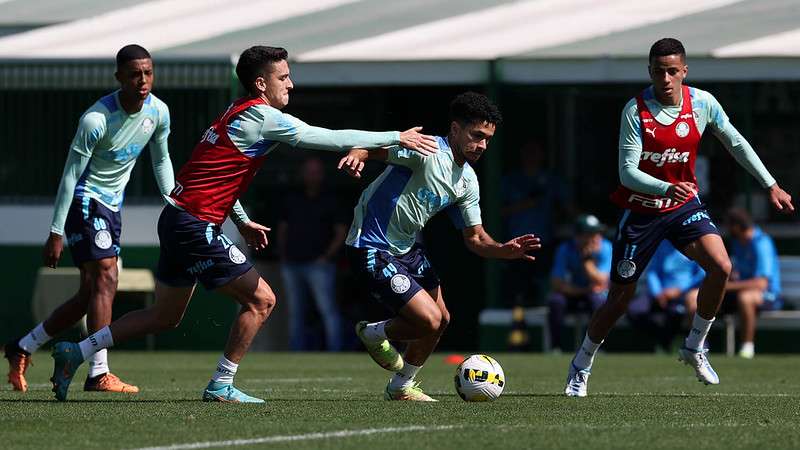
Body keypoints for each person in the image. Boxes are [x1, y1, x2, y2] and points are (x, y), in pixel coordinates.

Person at [48, 45, 439, 403]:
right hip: (192, 224)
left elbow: (211, 177)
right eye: (283, 77)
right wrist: (396, 136)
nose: (291, 83)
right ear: (260, 83)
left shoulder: (235, 113)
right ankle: (222, 382)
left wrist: (243, 220)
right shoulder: (261, 116)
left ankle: (76, 351)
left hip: (178, 219)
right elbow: (326, 137)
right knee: (263, 299)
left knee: (165, 316)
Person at [563, 38, 793, 397]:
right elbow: (627, 173)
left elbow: (735, 142)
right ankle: (582, 364)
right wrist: (665, 189)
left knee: (721, 266)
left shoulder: (702, 103)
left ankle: (695, 345)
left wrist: (770, 185)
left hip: (683, 207)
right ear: (650, 72)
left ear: (684, 71)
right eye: (659, 71)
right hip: (642, 212)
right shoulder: (636, 110)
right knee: (620, 299)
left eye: (673, 71)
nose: (666, 78)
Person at [338, 92, 540, 401]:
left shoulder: (467, 181)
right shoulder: (427, 149)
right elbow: (375, 149)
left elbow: (475, 238)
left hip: (406, 249)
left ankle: (402, 386)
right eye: (477, 136)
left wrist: (503, 250)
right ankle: (373, 332)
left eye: (487, 139)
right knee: (428, 319)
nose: (482, 145)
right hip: (370, 245)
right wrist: (357, 154)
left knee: (442, 319)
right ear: (456, 129)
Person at [3, 45, 173, 394]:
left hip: (112, 208)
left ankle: (23, 346)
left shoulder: (158, 112)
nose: (142, 80)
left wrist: (174, 200)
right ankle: (98, 371)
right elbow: (70, 175)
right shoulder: (95, 119)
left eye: (148, 73)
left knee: (90, 294)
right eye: (134, 74)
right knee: (107, 278)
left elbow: (160, 160)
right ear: (119, 78)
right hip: (86, 202)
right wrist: (55, 232)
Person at [277, 157, 348, 351]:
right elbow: (283, 228)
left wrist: (325, 257)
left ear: (322, 174)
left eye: (315, 171)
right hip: (291, 263)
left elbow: (341, 232)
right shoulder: (292, 197)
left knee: (327, 310)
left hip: (320, 265)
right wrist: (282, 254)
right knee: (295, 312)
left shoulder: (331, 199)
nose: (312, 176)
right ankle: (296, 353)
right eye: (308, 171)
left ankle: (336, 350)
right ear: (302, 174)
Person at [501, 140, 573, 308]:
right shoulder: (511, 180)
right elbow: (495, 211)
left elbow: (568, 207)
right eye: (528, 152)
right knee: (517, 288)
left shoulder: (551, 180)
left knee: (543, 286)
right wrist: (524, 204)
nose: (531, 157)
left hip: (544, 242)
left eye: (536, 152)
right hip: (515, 244)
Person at [547, 215, 612, 351]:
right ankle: (556, 348)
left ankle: (594, 348)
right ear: (578, 237)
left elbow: (601, 280)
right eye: (591, 234)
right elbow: (557, 283)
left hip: (594, 294)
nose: (596, 238)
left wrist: (586, 260)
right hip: (573, 292)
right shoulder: (565, 249)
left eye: (597, 233)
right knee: (556, 302)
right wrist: (584, 290)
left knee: (599, 303)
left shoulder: (606, 247)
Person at [724, 207, 781, 359]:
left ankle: (747, 347)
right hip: (738, 291)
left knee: (745, 298)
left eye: (729, 225)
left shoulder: (762, 243)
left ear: (736, 226)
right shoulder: (737, 243)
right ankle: (701, 346)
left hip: (768, 295)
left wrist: (727, 287)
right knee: (705, 294)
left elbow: (761, 283)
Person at [627, 240, 704, 351]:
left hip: (685, 294)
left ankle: (691, 344)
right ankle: (660, 340)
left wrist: (679, 290)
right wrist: (657, 293)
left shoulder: (694, 244)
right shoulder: (662, 244)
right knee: (635, 309)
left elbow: (700, 274)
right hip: (659, 294)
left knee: (678, 313)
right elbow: (652, 272)